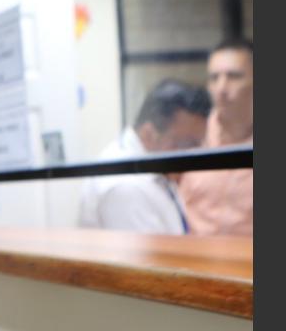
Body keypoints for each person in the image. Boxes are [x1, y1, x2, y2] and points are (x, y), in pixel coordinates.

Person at [79, 79, 210, 234]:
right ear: (149, 135)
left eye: (198, 145)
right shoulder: (126, 187)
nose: (193, 154)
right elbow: (154, 250)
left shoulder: (153, 167)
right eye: (186, 144)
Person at [178, 38, 253, 236]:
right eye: (214, 78)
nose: (222, 88)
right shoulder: (191, 137)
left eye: (234, 76)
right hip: (191, 254)